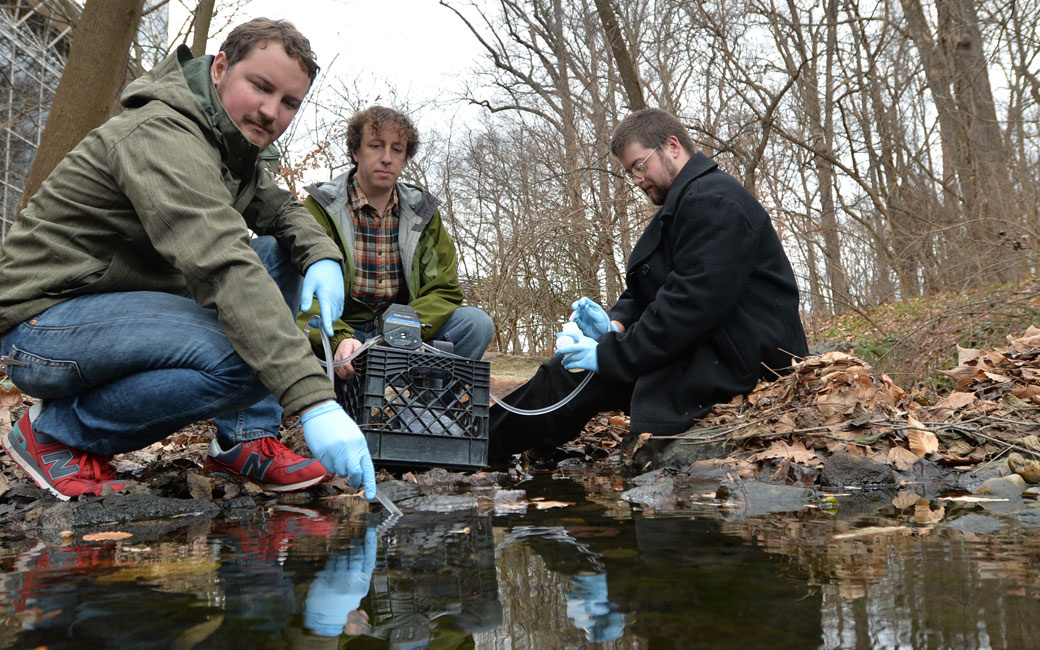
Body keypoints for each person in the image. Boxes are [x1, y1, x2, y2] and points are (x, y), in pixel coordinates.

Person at [0, 19, 376, 500]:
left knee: (282, 254)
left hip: (122, 310)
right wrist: (314, 401)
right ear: (220, 67)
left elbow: (280, 208)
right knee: (244, 357)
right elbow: (223, 262)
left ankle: (243, 440)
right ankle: (56, 434)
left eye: (289, 103)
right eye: (260, 87)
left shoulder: (232, 144)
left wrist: (324, 257)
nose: (270, 112)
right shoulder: (163, 134)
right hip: (45, 323)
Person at [489, 107, 808, 460]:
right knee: (567, 371)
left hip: (742, 361)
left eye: (640, 166)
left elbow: (689, 306)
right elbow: (654, 286)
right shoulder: (690, 200)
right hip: (712, 348)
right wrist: (613, 323)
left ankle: (479, 446)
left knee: (579, 374)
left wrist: (608, 354)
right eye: (631, 173)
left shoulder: (715, 201)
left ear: (672, 146)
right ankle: (517, 446)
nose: (637, 180)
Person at [299, 106, 493, 380]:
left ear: (406, 158)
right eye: (376, 146)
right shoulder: (321, 205)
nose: (387, 158)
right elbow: (300, 293)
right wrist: (338, 338)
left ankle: (425, 414)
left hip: (404, 330)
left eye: (397, 149)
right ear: (356, 152)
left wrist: (402, 328)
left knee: (476, 323)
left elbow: (444, 290)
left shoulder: (423, 212)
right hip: (340, 330)